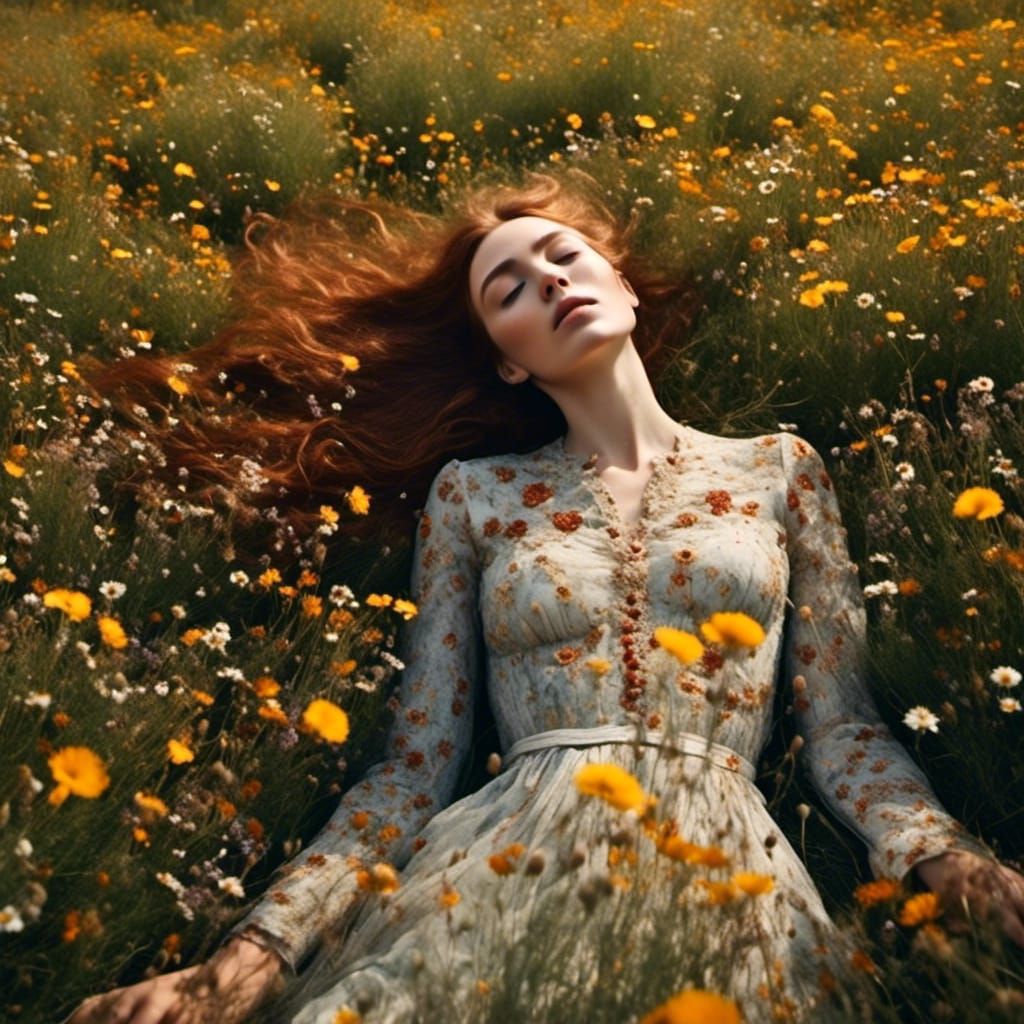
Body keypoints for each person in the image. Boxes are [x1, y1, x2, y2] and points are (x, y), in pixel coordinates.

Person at [68, 171, 1024, 1024]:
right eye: (509, 289)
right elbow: (413, 769)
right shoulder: (472, 496)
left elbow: (845, 730)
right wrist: (247, 962)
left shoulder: (781, 471)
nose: (549, 282)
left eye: (563, 256)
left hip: (729, 879)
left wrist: (948, 862)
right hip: (496, 872)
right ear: (507, 360)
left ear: (624, 286)